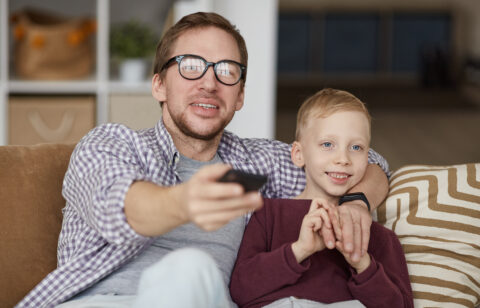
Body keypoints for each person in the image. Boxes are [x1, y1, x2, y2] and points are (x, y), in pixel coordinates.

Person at [17, 13, 390, 308]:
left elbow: (369, 162)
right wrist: (183, 201)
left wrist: (357, 204)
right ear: (159, 84)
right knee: (188, 266)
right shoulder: (114, 145)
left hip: (207, 301)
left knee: (196, 274)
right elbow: (120, 205)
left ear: (240, 95)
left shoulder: (252, 168)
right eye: (191, 65)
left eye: (226, 71)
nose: (209, 83)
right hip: (100, 302)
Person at [229, 88, 413, 308]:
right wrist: (299, 250)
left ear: (368, 157)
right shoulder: (268, 214)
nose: (343, 158)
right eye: (327, 144)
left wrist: (362, 264)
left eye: (356, 147)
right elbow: (241, 290)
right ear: (298, 154)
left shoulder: (380, 237)